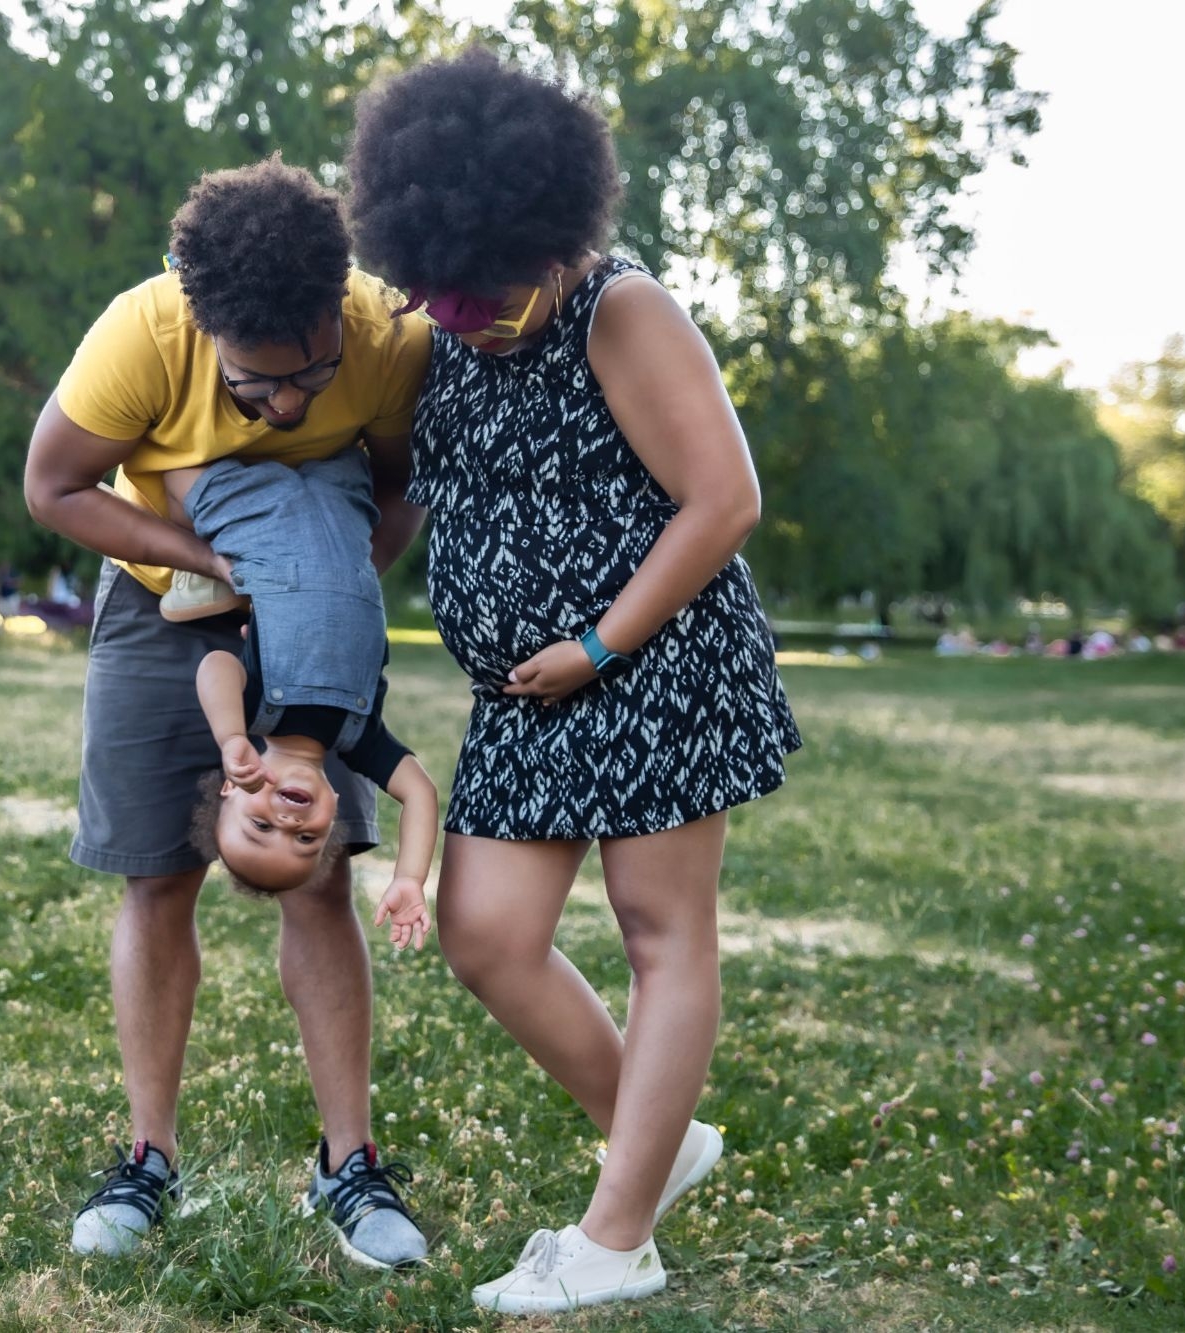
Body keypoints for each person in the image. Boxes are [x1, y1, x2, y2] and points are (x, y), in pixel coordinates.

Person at [348, 51, 802, 1314]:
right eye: (442, 298)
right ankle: (662, 1139)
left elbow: (724, 500)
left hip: (653, 664)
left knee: (662, 936)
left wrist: (599, 643)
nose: (466, 315)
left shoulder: (621, 312)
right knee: (487, 932)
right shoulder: (441, 321)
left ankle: (615, 1239)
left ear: (551, 241)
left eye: (489, 293)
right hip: (522, 693)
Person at [22, 156, 434, 1270]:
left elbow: (398, 483)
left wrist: (334, 599)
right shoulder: (143, 333)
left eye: (310, 375)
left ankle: (348, 1164)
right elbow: (52, 486)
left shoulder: (387, 334)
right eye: (257, 389)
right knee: (157, 872)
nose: (288, 406)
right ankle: (148, 1155)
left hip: (314, 603)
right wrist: (204, 566)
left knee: (320, 871)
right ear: (203, 328)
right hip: (165, 598)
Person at [163, 454, 438, 941]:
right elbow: (420, 794)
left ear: (231, 789)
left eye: (261, 827)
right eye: (306, 838)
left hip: (252, 522)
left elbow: (216, 667)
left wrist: (230, 738)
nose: (287, 821)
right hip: (342, 506)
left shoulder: (254, 716)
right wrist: (410, 876)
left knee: (171, 465)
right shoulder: (361, 741)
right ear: (333, 811)